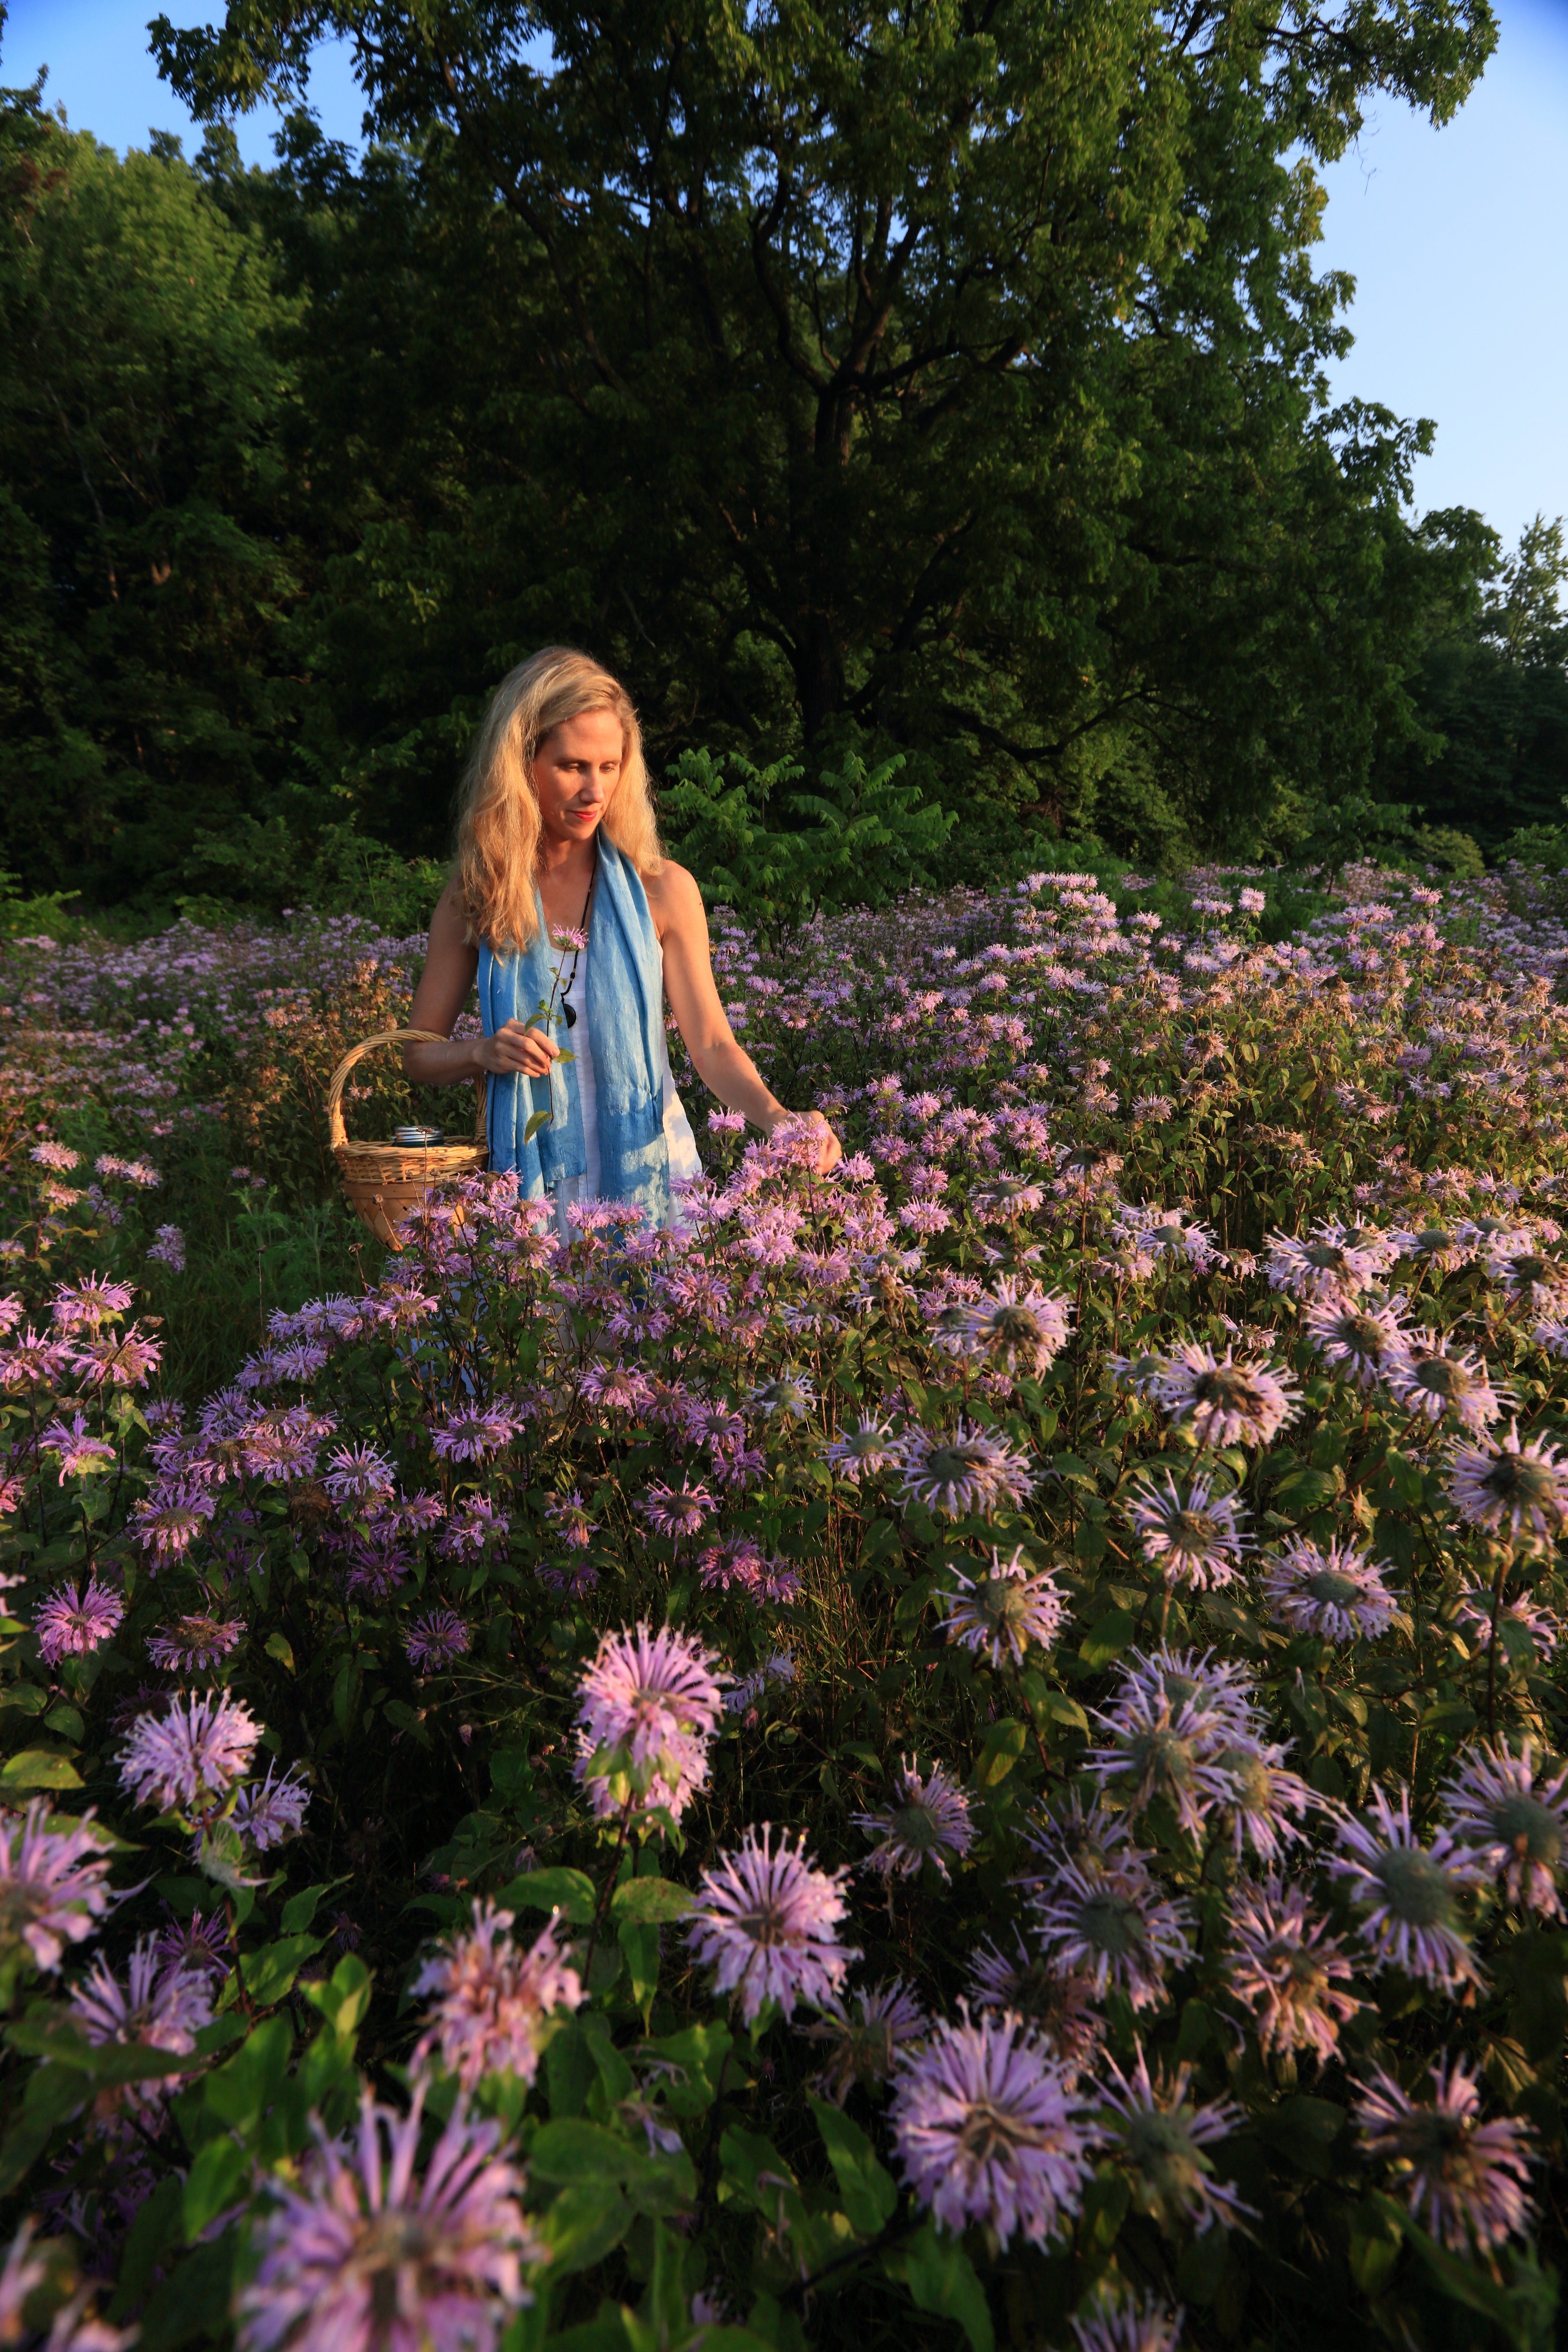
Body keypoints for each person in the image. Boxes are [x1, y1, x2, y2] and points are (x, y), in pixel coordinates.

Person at [404, 646, 841, 1234]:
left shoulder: (663, 889)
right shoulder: (479, 893)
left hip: (652, 1175)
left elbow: (711, 1046)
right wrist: (480, 1052)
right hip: (528, 1194)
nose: (594, 790)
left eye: (609, 767)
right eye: (573, 766)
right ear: (521, 763)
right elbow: (418, 1054)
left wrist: (780, 1118)